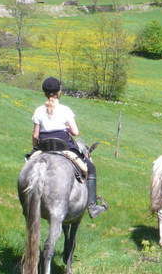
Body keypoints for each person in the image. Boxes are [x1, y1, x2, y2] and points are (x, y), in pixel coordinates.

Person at [31, 77, 106, 217]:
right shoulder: (65, 110)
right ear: (59, 92)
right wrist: (67, 128)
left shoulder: (38, 111)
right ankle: (92, 206)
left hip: (44, 147)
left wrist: (35, 149)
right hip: (64, 147)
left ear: (44, 93)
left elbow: (35, 136)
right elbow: (76, 132)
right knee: (90, 167)